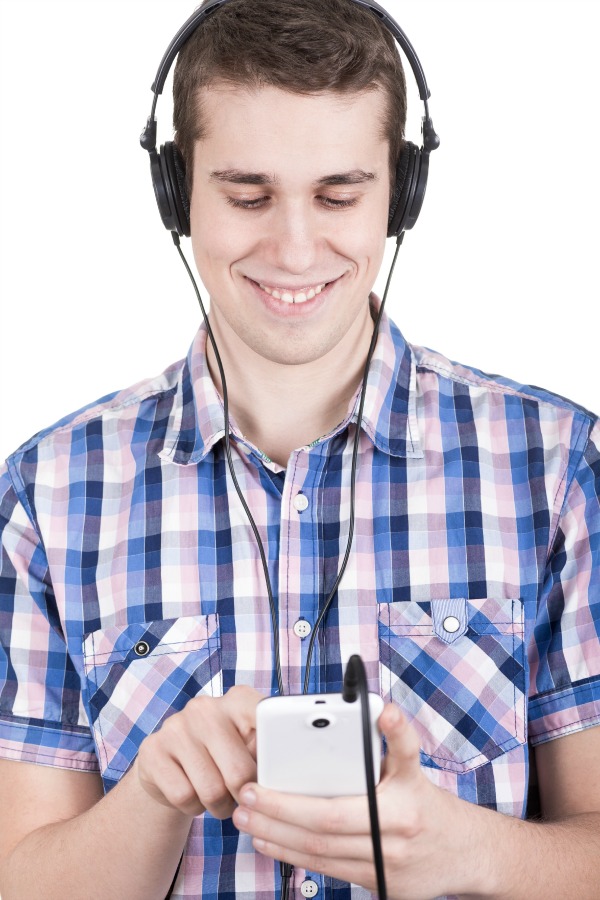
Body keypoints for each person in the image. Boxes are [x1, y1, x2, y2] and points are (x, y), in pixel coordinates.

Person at [0, 0, 599, 898]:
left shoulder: (554, 467)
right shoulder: (48, 492)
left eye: (337, 195)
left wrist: (463, 851)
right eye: (247, 196)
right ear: (177, 193)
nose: (293, 246)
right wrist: (155, 794)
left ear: (400, 193)